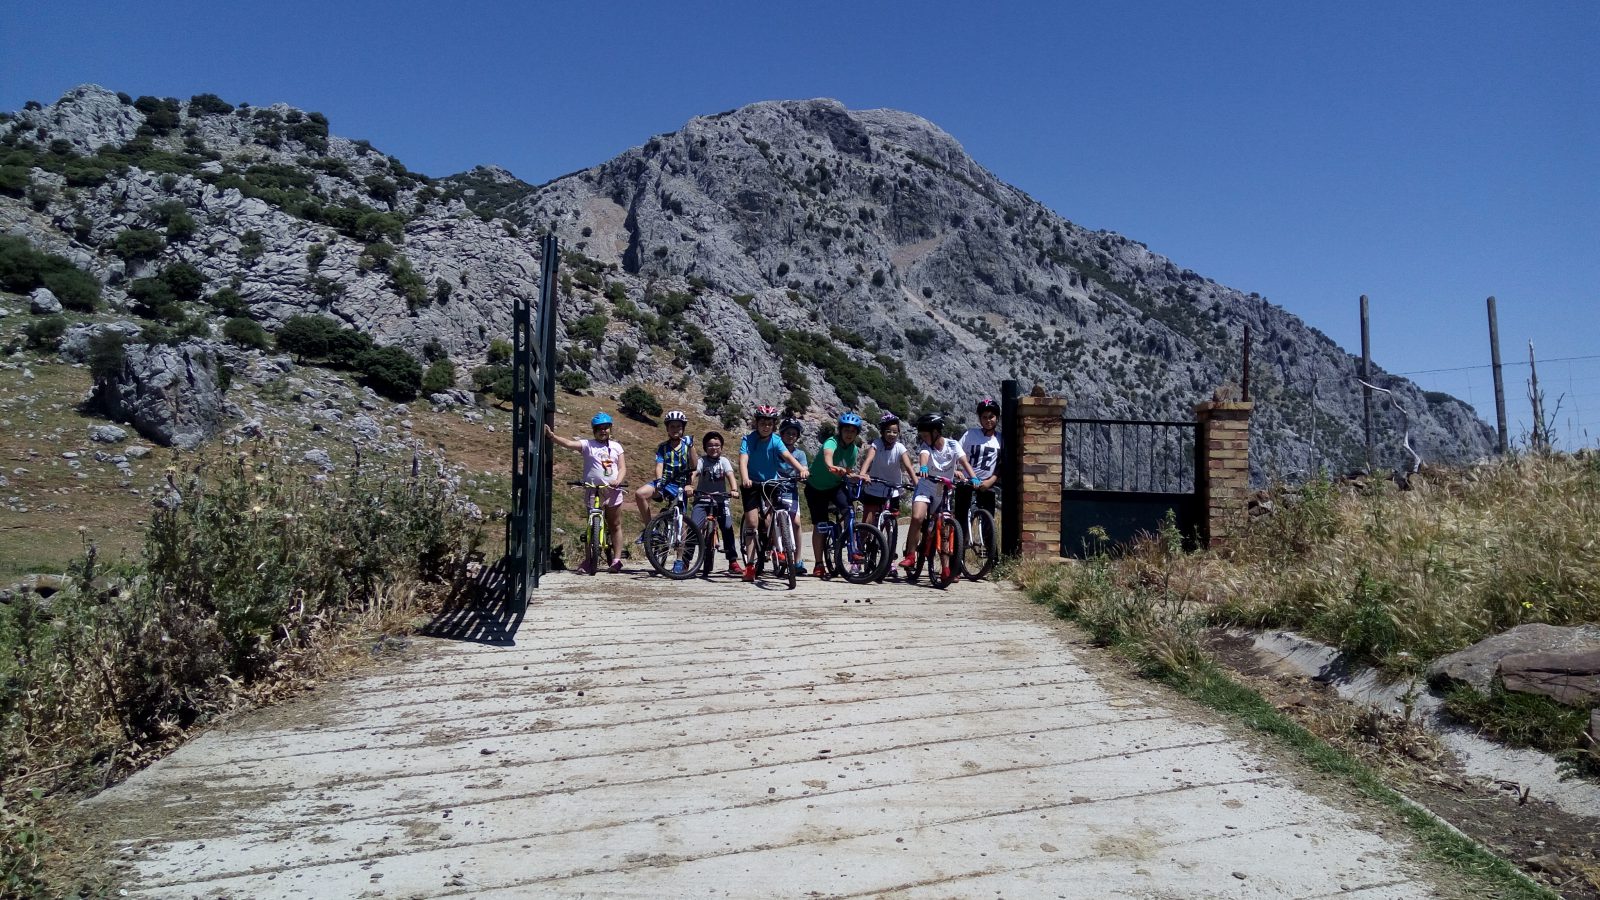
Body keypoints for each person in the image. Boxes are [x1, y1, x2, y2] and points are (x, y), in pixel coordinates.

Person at [545, 413, 628, 574]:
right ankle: (589, 560)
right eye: (599, 428)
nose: (603, 431)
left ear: (610, 429)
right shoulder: (588, 444)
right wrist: (552, 436)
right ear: (594, 430)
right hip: (593, 490)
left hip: (612, 490)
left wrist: (618, 480)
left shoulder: (616, 447)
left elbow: (622, 467)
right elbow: (569, 443)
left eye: (606, 428)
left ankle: (617, 560)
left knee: (615, 524)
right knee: (591, 525)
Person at [899, 411, 980, 572]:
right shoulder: (926, 447)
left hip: (942, 490)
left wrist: (974, 478)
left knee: (944, 528)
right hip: (926, 486)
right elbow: (924, 456)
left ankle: (946, 569)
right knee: (917, 517)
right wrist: (923, 467)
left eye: (925, 435)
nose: (923, 438)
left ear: (935, 432)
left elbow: (964, 461)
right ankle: (911, 555)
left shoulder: (953, 445)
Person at [738, 405, 809, 582]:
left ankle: (779, 549)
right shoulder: (748, 439)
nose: (766, 427)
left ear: (774, 425)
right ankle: (750, 566)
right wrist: (745, 478)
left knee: (772, 518)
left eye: (769, 423)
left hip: (771, 483)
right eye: (763, 423)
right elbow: (743, 460)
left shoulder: (776, 440)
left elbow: (788, 457)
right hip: (752, 484)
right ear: (756, 423)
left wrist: (801, 469)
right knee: (752, 524)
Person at [805, 411, 865, 578]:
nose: (849, 434)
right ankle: (819, 564)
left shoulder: (853, 450)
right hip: (816, 487)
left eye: (853, 431)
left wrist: (856, 476)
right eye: (846, 430)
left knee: (849, 513)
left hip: (835, 486)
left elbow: (847, 471)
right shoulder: (831, 442)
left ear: (856, 433)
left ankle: (852, 548)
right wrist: (831, 466)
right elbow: (828, 456)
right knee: (820, 525)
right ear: (840, 431)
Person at [634, 409, 696, 543]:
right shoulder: (662, 447)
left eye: (678, 426)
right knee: (640, 494)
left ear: (683, 428)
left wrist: (691, 447)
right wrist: (659, 480)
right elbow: (659, 466)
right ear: (667, 429)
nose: (675, 429)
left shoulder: (687, 446)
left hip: (681, 486)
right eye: (672, 426)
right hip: (665, 482)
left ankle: (680, 555)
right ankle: (650, 529)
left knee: (681, 524)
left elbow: (694, 465)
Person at [690, 431, 743, 576]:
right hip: (702, 500)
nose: (714, 448)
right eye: (710, 445)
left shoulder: (723, 461)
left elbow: (730, 475)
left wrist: (734, 490)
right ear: (705, 448)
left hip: (721, 500)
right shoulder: (701, 461)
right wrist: (690, 485)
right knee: (693, 528)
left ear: (721, 447)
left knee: (727, 527)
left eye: (717, 445)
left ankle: (733, 561)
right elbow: (694, 473)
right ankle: (686, 561)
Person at [859, 411, 917, 530]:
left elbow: (908, 466)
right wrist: (862, 474)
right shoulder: (877, 444)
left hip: (893, 489)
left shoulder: (900, 447)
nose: (892, 434)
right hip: (874, 487)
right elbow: (869, 459)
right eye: (888, 431)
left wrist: (917, 483)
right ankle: (863, 540)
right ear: (883, 432)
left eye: (895, 432)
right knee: (867, 523)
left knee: (891, 520)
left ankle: (888, 539)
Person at [955, 397, 1002, 529]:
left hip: (987, 484)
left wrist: (991, 481)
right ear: (980, 419)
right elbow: (955, 453)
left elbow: (1002, 465)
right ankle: (960, 542)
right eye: (984, 417)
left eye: (991, 417)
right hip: (967, 482)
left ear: (997, 418)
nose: (988, 420)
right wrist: (956, 470)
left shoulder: (1001, 439)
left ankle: (987, 543)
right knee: (961, 523)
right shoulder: (970, 434)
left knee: (988, 525)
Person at [777, 419, 810, 574]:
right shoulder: (775, 450)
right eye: (788, 433)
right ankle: (774, 550)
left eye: (794, 434)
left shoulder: (800, 454)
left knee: (796, 523)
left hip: (790, 491)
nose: (791, 436)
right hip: (773, 489)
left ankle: (797, 560)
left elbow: (804, 468)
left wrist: (804, 473)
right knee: (768, 521)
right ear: (781, 434)